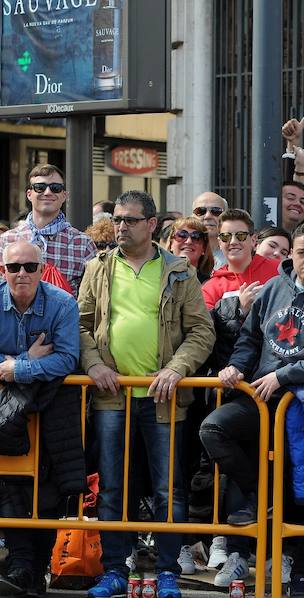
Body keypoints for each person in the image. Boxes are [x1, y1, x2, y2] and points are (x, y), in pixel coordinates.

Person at [201, 219, 304, 595]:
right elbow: (250, 338)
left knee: (301, 486)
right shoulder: (274, 288)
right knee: (213, 429)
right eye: (301, 252)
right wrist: (237, 366)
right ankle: (258, 496)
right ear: (291, 253)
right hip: (258, 397)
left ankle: (289, 560)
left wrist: (285, 376)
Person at [79, 190, 215, 598]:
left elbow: (202, 331)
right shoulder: (98, 268)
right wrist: (94, 365)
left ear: (152, 224)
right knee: (114, 487)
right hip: (111, 395)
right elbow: (80, 325)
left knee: (167, 489)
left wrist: (176, 369)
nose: (120, 226)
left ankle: (168, 572)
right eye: (118, 219)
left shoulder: (179, 270)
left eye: (130, 220)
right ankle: (114, 571)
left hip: (163, 400)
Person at [0, 241, 81, 598]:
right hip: (7, 413)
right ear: (3, 269)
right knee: (9, 479)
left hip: (52, 409)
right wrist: (26, 362)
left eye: (30, 267)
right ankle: (19, 564)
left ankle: (39, 567)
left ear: (42, 268)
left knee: (48, 484)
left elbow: (67, 359)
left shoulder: (62, 303)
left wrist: (16, 366)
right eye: (14, 267)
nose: (22, 274)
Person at [202, 209, 281, 373]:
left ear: (253, 240)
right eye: (225, 236)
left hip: (277, 368)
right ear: (219, 242)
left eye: (240, 235)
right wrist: (239, 310)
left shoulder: (279, 270)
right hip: (233, 374)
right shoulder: (210, 288)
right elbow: (210, 337)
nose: (233, 241)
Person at [0, 164, 97, 296]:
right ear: (29, 194)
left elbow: (91, 297)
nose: (47, 192)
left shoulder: (83, 243)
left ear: (64, 196)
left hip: (64, 316)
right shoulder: (6, 240)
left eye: (55, 188)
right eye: (40, 187)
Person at [161, 216, 215, 283]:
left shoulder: (211, 285)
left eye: (196, 237)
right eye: (181, 235)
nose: (189, 241)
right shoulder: (156, 278)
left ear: (204, 248)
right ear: (171, 244)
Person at [192, 192, 228, 267]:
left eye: (216, 211)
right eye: (200, 211)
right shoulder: (183, 252)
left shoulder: (238, 254)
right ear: (192, 217)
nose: (208, 216)